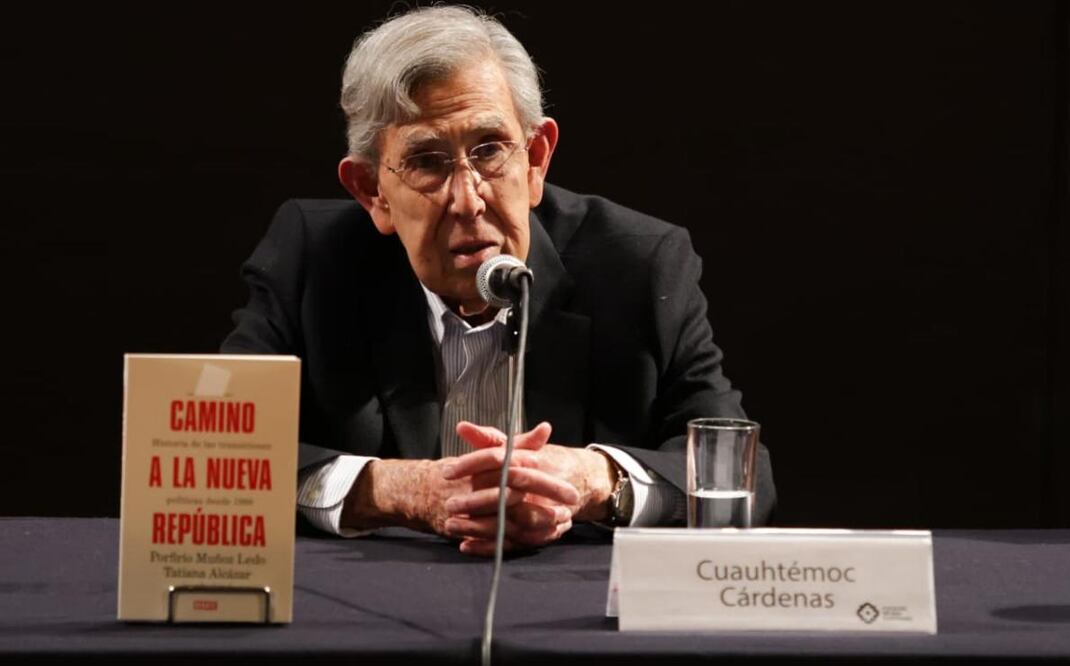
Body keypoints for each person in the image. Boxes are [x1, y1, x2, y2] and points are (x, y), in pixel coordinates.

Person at [222, 5, 775, 555]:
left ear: (535, 160)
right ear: (372, 191)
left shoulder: (637, 265)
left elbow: (742, 476)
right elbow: (218, 456)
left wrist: (594, 481)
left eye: (489, 151)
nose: (468, 200)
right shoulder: (314, 260)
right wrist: (398, 490)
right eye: (427, 162)